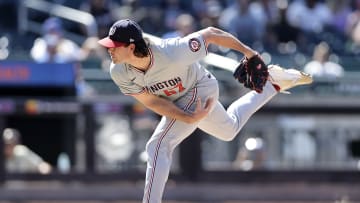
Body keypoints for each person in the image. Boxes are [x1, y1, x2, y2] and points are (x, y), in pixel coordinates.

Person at [98, 19, 312, 203]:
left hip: (199, 88)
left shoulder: (171, 51)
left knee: (158, 146)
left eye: (115, 45)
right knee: (229, 130)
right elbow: (150, 101)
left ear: (132, 47)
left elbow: (211, 34)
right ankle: (271, 84)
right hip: (181, 101)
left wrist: (250, 53)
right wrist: (186, 117)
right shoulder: (119, 71)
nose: (110, 49)